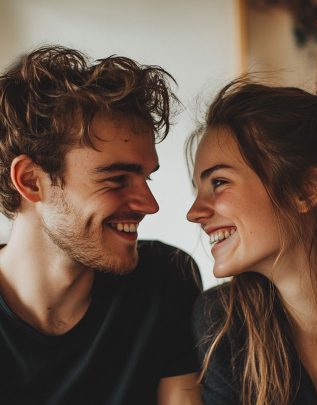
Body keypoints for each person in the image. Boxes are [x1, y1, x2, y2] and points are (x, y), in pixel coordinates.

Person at [0, 46, 202, 405]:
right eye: (117, 179)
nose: (149, 206)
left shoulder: (165, 278)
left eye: (146, 178)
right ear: (31, 181)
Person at [187, 76, 317, 405]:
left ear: (304, 189)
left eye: (219, 182)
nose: (194, 213)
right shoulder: (225, 326)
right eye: (198, 189)